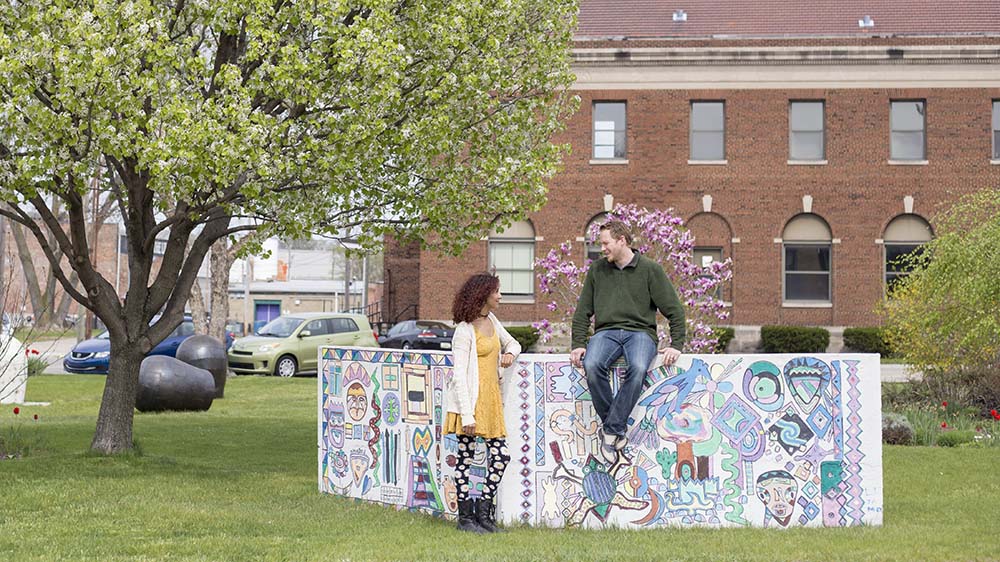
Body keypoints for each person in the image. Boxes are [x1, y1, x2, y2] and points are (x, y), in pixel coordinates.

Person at [569, 220, 686, 460]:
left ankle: (610, 431)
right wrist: (579, 343)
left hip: (640, 332)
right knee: (591, 365)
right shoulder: (597, 270)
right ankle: (615, 430)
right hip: (606, 332)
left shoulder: (650, 270)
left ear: (621, 240)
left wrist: (676, 344)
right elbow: (583, 311)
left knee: (639, 367)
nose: (602, 248)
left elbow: (674, 309)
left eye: (606, 243)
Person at [443, 272, 522, 533]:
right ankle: (466, 520)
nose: (500, 296)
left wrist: (509, 353)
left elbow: (514, 343)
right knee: (465, 459)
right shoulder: (464, 331)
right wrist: (467, 415)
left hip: (491, 401)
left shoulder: (492, 321)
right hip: (470, 404)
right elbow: (459, 378)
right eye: (496, 291)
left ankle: (484, 515)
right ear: (483, 294)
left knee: (501, 456)